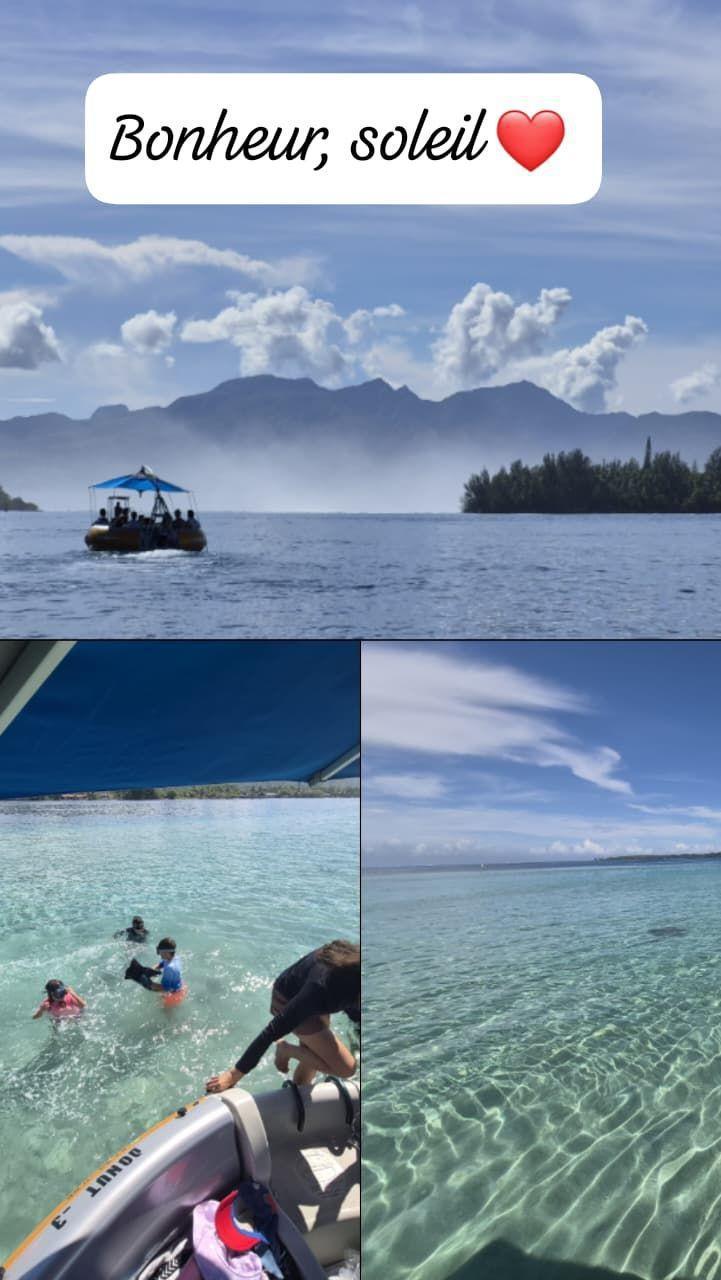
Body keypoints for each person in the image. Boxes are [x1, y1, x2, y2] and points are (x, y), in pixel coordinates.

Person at [206, 940, 360, 1093]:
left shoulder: (353, 973)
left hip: (315, 991)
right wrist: (234, 1074)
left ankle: (299, 1092)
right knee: (346, 1069)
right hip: (287, 999)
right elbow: (270, 1032)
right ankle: (285, 1049)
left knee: (313, 1057)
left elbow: (355, 1015)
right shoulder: (319, 991)